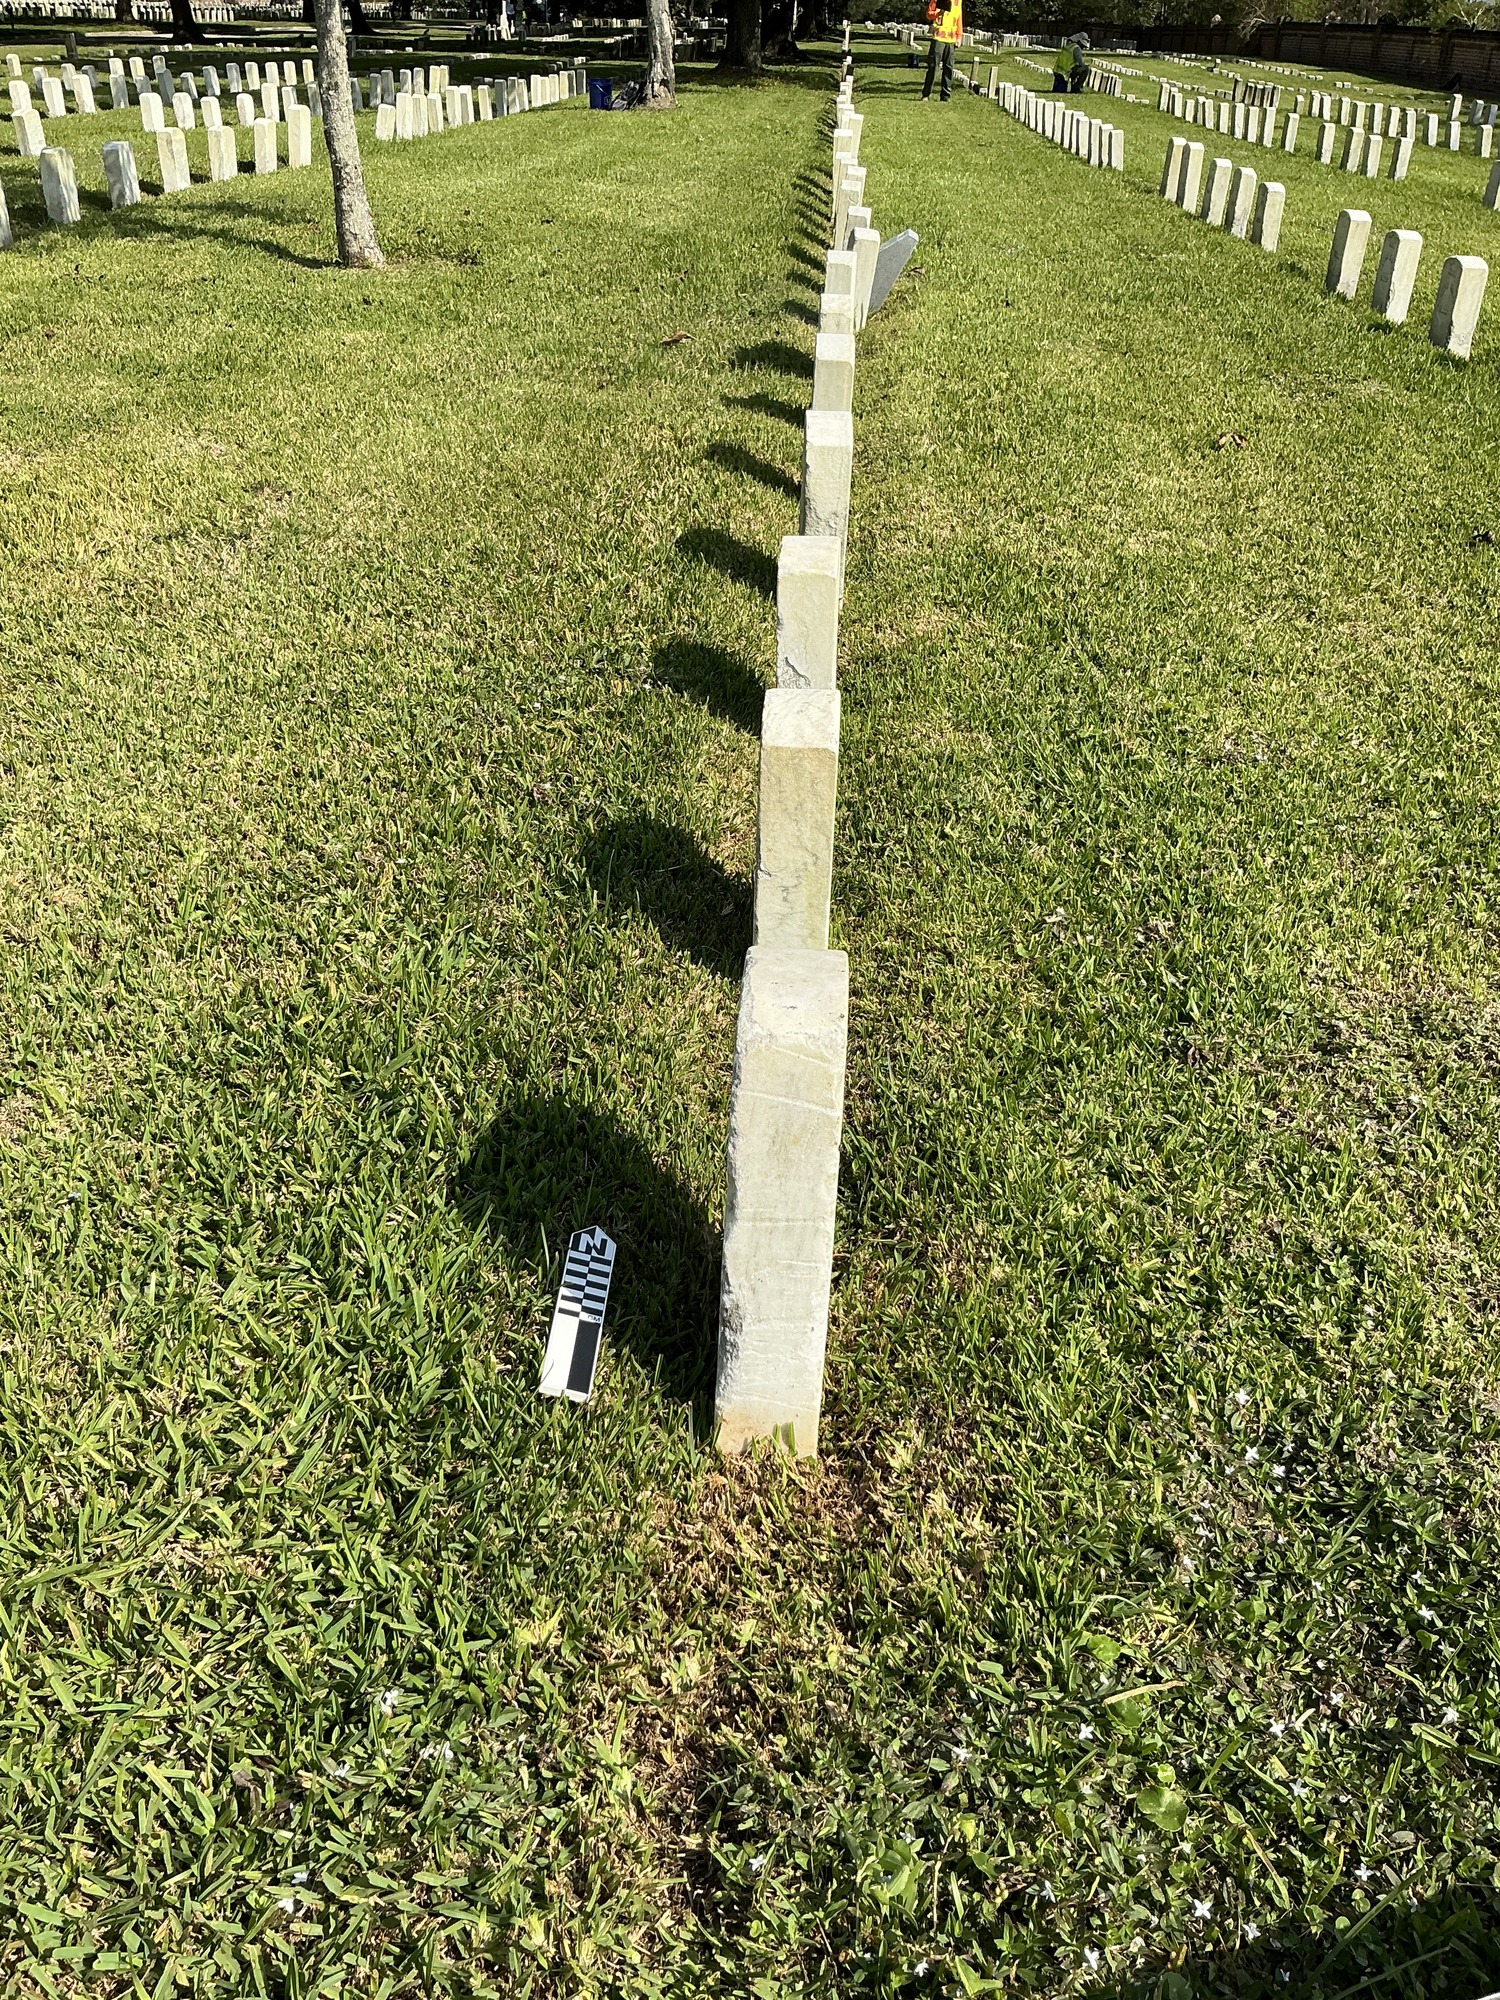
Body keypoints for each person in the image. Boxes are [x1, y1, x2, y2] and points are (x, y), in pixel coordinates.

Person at [921, 0, 961, 101]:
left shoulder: (957, 1)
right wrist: (938, 13)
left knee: (949, 67)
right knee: (933, 66)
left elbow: (959, 18)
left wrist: (959, 36)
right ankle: (926, 94)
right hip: (938, 38)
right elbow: (928, 15)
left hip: (951, 40)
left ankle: (945, 96)